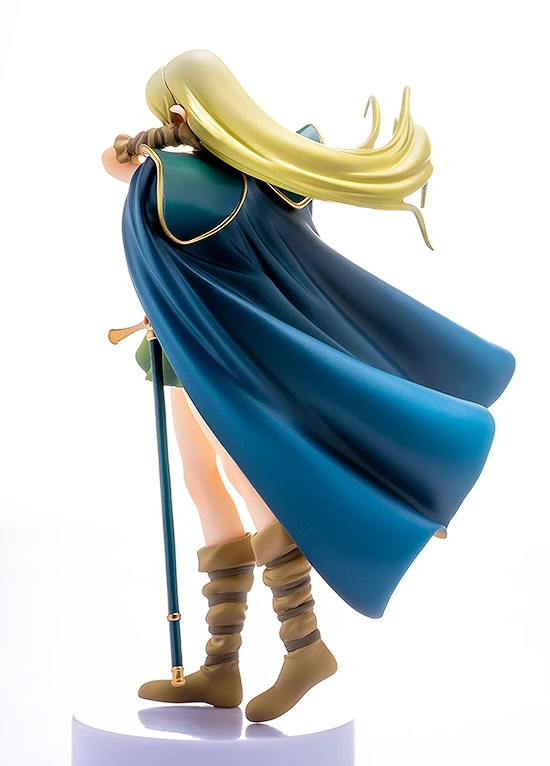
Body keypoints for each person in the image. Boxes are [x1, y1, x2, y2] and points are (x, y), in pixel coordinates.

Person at [102, 49, 515, 723]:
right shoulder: (271, 172)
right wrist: (161, 141)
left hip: (221, 357)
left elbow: (116, 165)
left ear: (180, 110)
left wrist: (152, 144)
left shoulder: (182, 177)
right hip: (182, 344)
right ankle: (220, 667)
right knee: (202, 483)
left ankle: (304, 645)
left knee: (250, 480)